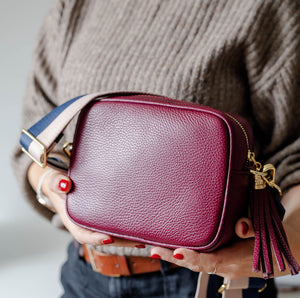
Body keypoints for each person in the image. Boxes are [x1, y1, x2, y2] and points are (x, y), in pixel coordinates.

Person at [12, 0, 300, 297]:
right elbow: (34, 143)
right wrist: (51, 185)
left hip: (208, 280)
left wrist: (289, 242)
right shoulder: (75, 6)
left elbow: (296, 156)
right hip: (83, 276)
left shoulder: (266, 8)